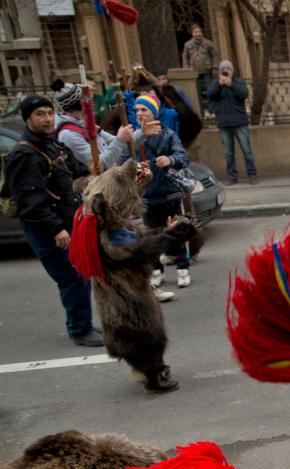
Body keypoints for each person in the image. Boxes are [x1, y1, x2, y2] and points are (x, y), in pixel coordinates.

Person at [5, 95, 99, 346]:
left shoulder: (52, 144)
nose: (47, 119)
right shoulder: (25, 154)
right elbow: (30, 202)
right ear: (28, 119)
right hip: (47, 229)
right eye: (40, 114)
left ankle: (83, 325)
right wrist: (56, 229)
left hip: (66, 221)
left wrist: (90, 169)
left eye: (49, 113)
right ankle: (80, 330)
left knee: (80, 275)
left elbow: (73, 173)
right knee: (72, 277)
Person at [122, 95, 192, 295]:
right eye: (137, 111)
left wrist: (170, 160)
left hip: (169, 193)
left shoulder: (168, 134)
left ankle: (182, 267)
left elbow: (182, 157)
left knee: (176, 232)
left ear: (154, 112)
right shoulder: (135, 138)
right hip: (147, 195)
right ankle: (157, 271)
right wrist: (134, 167)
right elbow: (123, 159)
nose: (140, 114)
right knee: (151, 237)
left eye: (144, 110)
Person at [52, 79, 135, 171]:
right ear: (82, 104)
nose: (92, 103)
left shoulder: (85, 123)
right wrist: (120, 140)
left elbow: (124, 145)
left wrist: (139, 133)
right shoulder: (69, 135)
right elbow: (100, 165)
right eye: (89, 99)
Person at [207, 60, 257, 185]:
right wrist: (220, 84)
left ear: (232, 71)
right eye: (223, 69)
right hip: (224, 123)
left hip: (239, 122)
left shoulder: (238, 82)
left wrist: (231, 84)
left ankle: (252, 175)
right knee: (228, 153)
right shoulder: (215, 84)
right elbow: (211, 95)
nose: (226, 71)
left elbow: (243, 94)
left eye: (228, 69)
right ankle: (232, 176)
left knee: (247, 150)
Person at [182, 24, 218, 110]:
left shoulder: (209, 43)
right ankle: (201, 110)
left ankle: (212, 110)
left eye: (199, 31)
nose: (198, 33)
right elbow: (185, 57)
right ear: (192, 33)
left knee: (210, 91)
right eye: (196, 32)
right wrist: (186, 69)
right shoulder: (187, 45)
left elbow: (215, 56)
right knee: (198, 93)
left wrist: (215, 67)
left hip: (207, 71)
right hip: (194, 73)